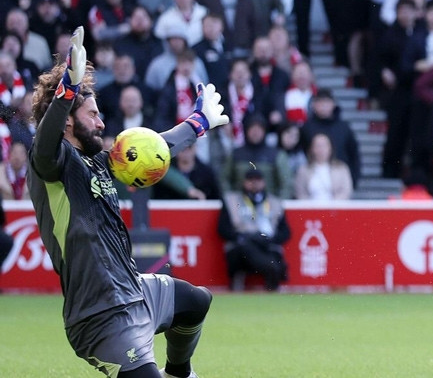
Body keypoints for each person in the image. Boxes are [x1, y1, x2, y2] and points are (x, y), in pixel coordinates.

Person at [27, 26, 229, 378]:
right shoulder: (51, 164)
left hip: (135, 290)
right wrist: (66, 93)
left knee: (196, 301)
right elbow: (45, 142)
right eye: (91, 114)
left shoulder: (101, 163)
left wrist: (198, 123)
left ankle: (179, 373)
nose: (101, 122)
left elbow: (154, 148)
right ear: (66, 124)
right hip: (98, 315)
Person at [217, 167, 291, 292]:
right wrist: (241, 237)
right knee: (246, 246)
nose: (254, 183)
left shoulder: (274, 202)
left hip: (266, 244)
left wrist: (271, 239)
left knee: (261, 246)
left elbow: (286, 232)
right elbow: (222, 229)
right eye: (250, 180)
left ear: (264, 182)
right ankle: (273, 267)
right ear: (244, 182)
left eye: (258, 180)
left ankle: (271, 268)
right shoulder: (232, 200)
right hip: (242, 246)